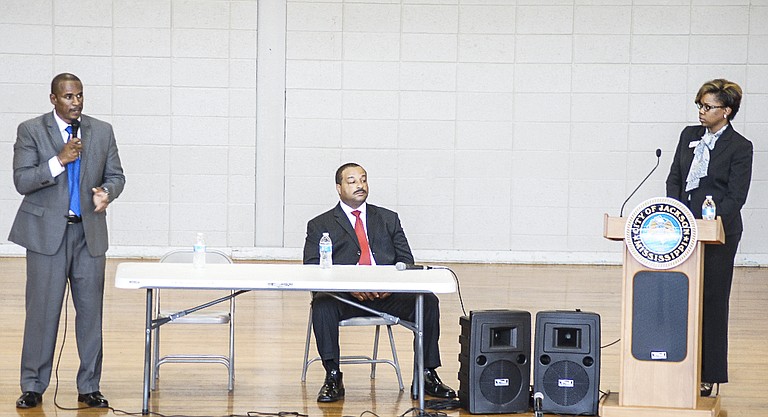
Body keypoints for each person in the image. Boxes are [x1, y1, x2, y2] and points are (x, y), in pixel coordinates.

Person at [9, 73, 125, 409]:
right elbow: (22, 180)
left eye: (80, 96)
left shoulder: (101, 131)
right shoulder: (31, 130)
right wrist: (59, 160)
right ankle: (33, 385)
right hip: (46, 236)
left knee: (90, 314)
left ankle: (89, 386)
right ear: (53, 99)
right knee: (42, 314)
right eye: (69, 97)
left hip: (87, 233)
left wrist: (107, 193)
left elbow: (116, 175)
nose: (76, 103)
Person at [303, 162, 456, 403]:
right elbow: (312, 270)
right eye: (352, 181)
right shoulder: (320, 224)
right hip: (346, 297)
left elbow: (406, 261)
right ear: (338, 188)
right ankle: (333, 375)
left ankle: (426, 373)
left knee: (428, 301)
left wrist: (390, 285)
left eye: (363, 179)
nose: (360, 185)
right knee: (322, 304)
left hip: (388, 295)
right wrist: (349, 287)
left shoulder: (388, 218)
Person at [666, 79, 753, 397]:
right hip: (682, 230)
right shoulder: (688, 135)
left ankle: (709, 373)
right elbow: (675, 176)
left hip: (720, 233)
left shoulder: (740, 147)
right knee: (678, 298)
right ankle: (675, 363)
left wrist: (711, 223)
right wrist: (673, 214)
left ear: (726, 111)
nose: (701, 111)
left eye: (708, 107)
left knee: (713, 301)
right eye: (699, 106)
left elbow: (736, 196)